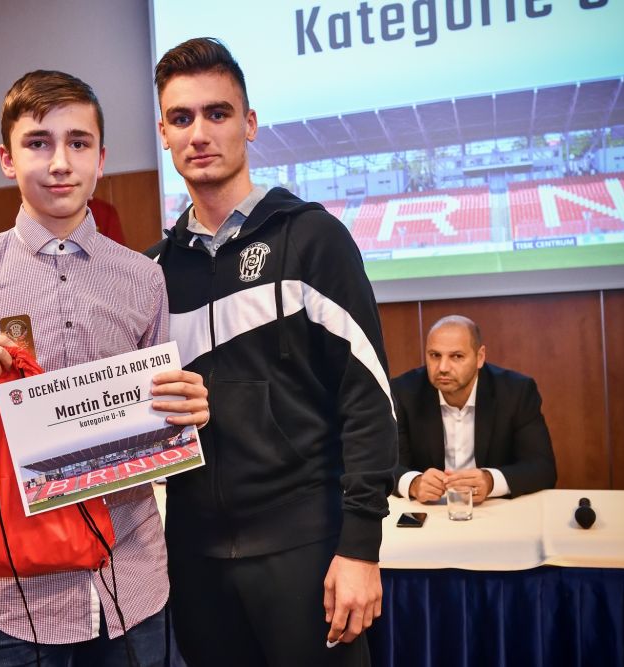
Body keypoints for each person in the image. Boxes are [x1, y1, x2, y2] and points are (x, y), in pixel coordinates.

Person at [0, 71, 207, 664]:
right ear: (7, 159)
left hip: (132, 583)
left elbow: (158, 415)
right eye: (38, 143)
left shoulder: (144, 277)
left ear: (100, 159)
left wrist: (182, 410)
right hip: (11, 597)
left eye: (78, 143)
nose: (60, 162)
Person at [150, 38, 397, 666]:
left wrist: (361, 547)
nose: (199, 133)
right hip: (194, 559)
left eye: (218, 113)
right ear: (163, 133)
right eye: (181, 117)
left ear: (250, 123)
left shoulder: (313, 238)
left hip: (306, 550)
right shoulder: (154, 273)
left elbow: (368, 400)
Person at [390, 315, 557, 503]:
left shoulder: (516, 392)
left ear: (480, 357)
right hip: (429, 509)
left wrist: (490, 481)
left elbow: (542, 468)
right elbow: (386, 464)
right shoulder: (403, 392)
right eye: (435, 355)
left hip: (494, 508)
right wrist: (414, 483)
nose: (443, 367)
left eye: (457, 356)